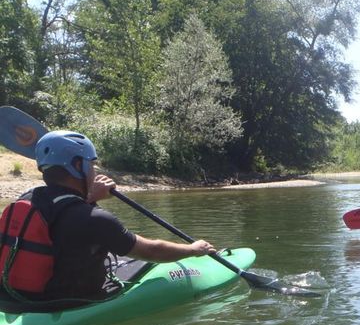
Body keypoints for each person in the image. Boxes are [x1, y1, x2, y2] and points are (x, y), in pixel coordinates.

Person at [0, 130, 217, 307]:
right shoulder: (95, 219)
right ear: (78, 166)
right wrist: (194, 249)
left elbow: (64, 222)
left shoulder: (27, 198)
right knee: (136, 263)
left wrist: (90, 197)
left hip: (15, 296)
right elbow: (151, 251)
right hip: (62, 303)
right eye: (91, 164)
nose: (94, 171)